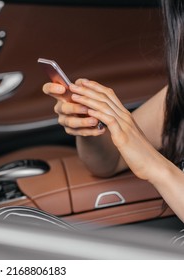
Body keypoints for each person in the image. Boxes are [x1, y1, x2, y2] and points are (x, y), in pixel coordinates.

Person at [42, 0, 184, 223]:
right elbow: (110, 161)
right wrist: (89, 123)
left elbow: (146, 160)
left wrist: (155, 166)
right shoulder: (179, 94)